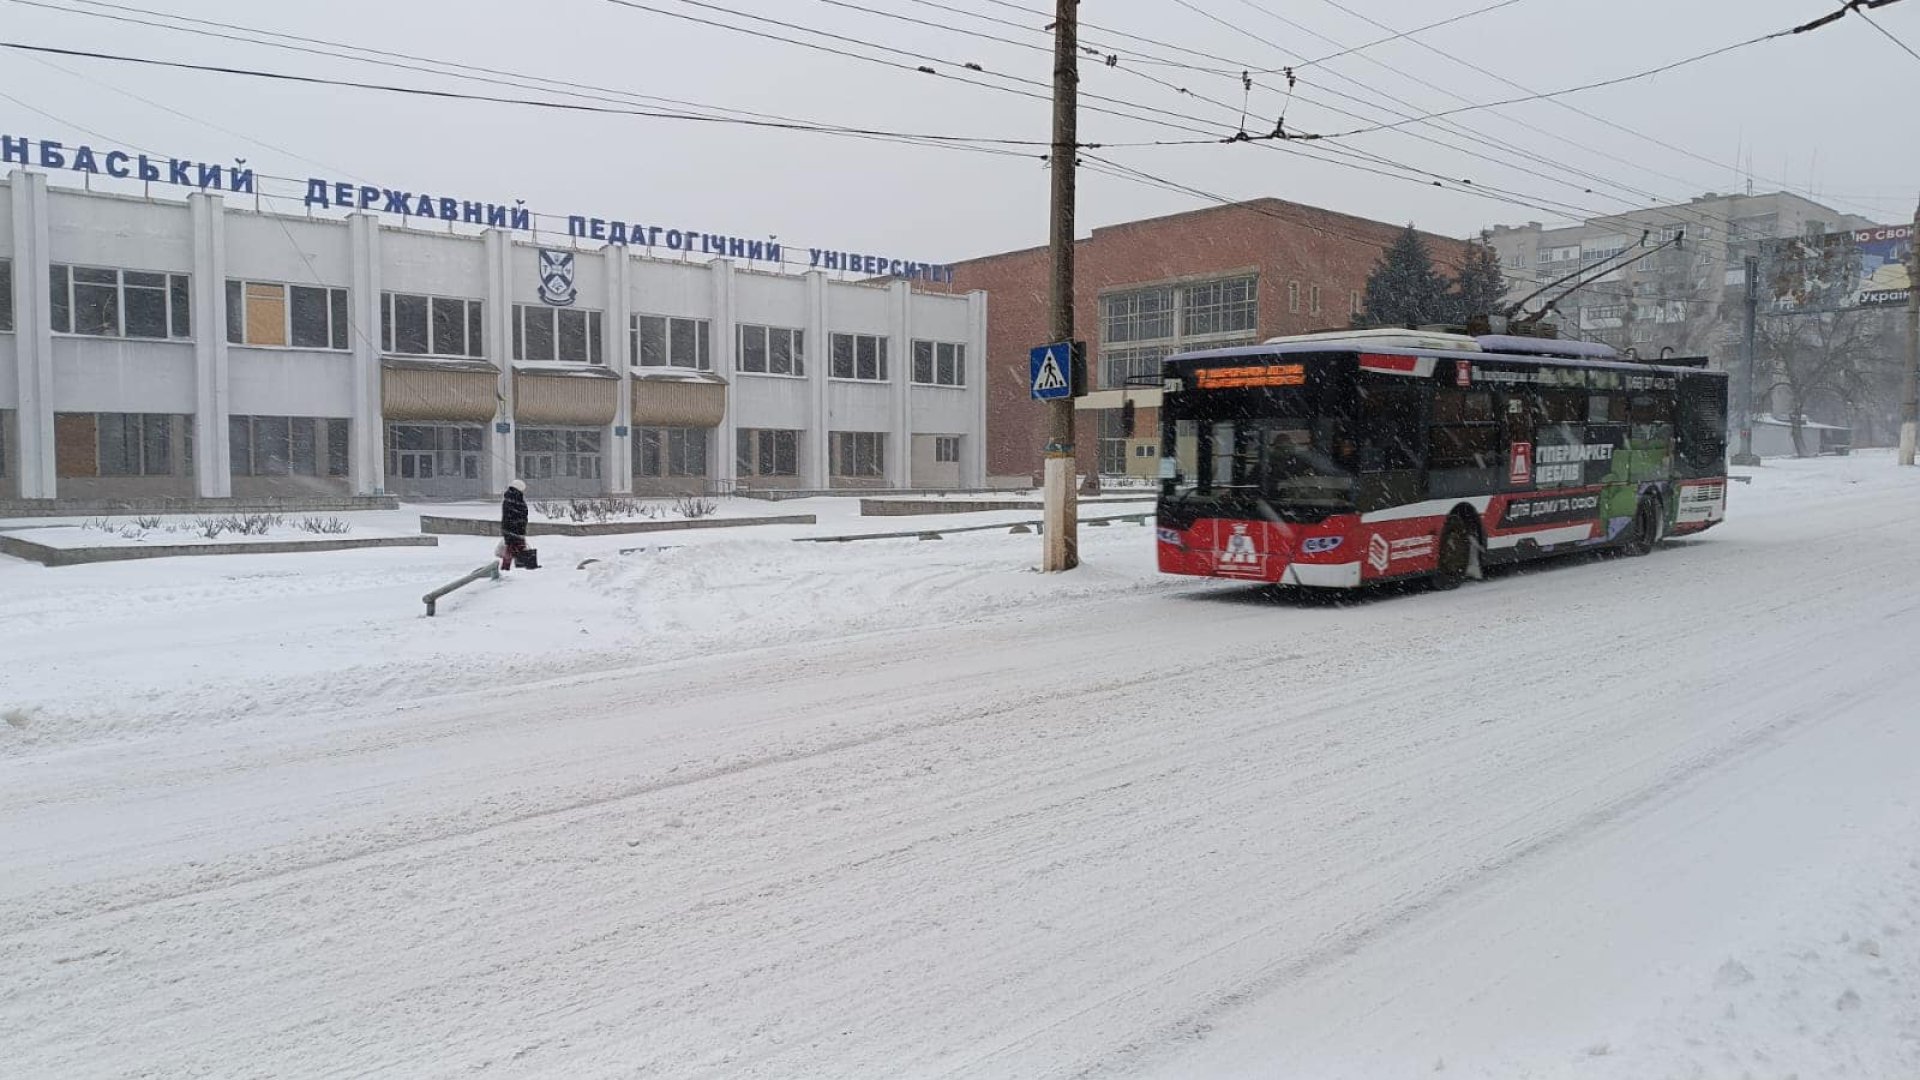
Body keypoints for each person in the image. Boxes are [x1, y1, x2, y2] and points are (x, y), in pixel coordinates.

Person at [500, 478, 531, 570]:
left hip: (509, 529)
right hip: (516, 530)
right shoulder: (516, 500)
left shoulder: (508, 499)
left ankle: (512, 567)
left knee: (512, 548)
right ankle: (517, 567)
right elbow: (520, 515)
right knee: (516, 548)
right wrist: (520, 527)